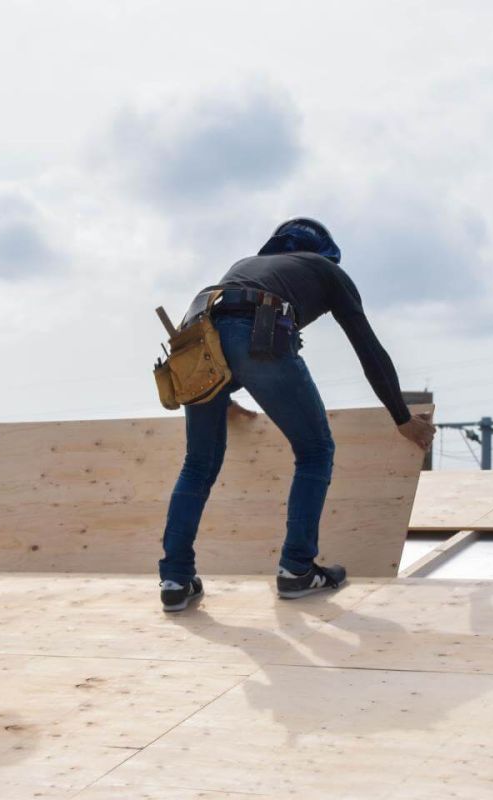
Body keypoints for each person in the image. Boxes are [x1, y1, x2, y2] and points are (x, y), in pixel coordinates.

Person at [159, 218, 436, 612]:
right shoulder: (326, 271)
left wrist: (223, 395)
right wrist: (401, 417)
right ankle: (297, 569)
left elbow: (224, 337)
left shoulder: (245, 266)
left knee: (198, 463)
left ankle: (175, 579)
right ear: (326, 254)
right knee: (315, 450)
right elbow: (368, 348)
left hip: (196, 342)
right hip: (256, 330)